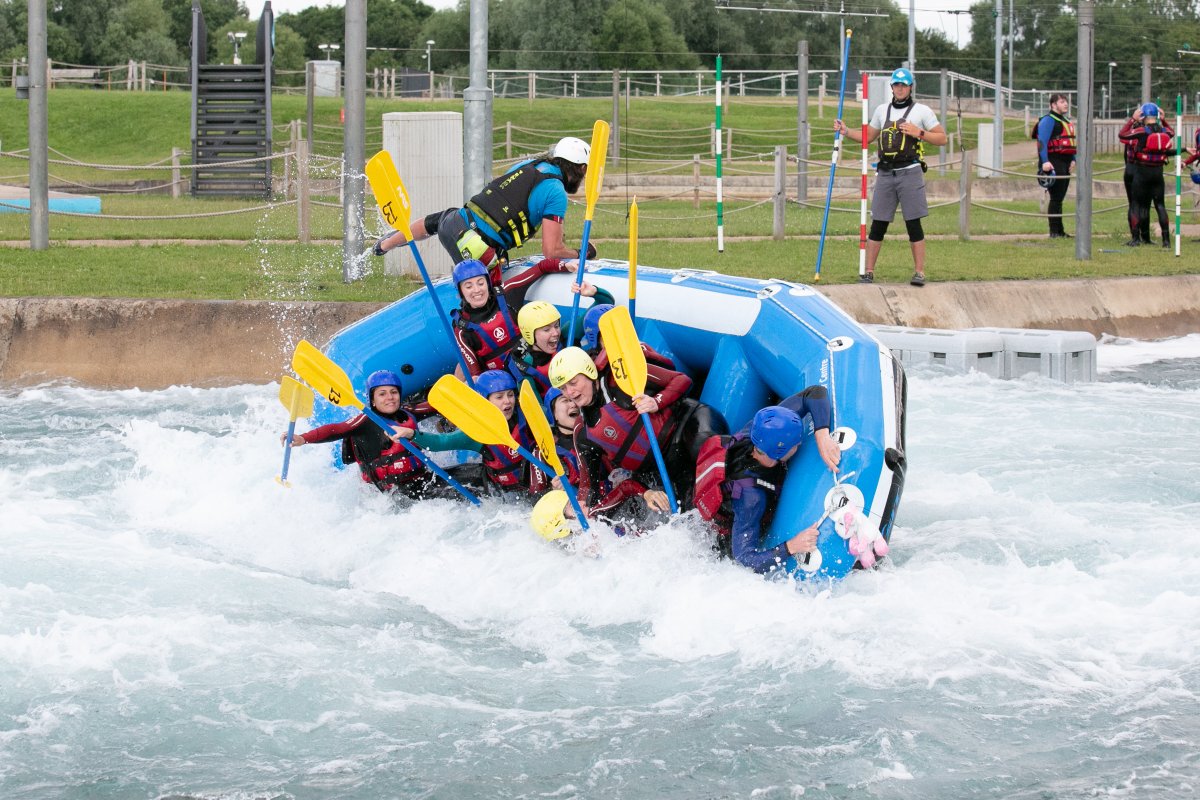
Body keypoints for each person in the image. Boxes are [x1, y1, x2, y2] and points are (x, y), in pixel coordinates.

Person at [373, 137, 596, 283]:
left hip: (454, 223)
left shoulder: (529, 165)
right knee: (491, 302)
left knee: (441, 217)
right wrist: (583, 253)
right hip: (479, 247)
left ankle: (384, 244)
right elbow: (552, 251)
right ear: (582, 168)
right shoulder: (556, 192)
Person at [547, 346, 727, 511]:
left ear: (589, 373)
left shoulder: (621, 379)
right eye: (563, 388)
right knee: (692, 512)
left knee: (709, 468)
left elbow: (681, 380)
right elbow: (588, 486)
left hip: (690, 425)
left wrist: (656, 402)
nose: (569, 393)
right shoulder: (583, 432)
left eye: (573, 383)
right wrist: (580, 506)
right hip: (666, 464)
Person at [692, 390, 842, 575]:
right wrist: (791, 547)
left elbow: (814, 392)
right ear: (779, 452)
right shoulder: (751, 498)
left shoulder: (756, 432)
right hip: (726, 531)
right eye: (795, 444)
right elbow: (745, 559)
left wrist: (822, 435)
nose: (800, 445)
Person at [834, 67, 947, 287]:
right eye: (897, 85)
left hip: (910, 172)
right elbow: (868, 137)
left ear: (910, 87)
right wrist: (846, 131)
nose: (900, 88)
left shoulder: (922, 111)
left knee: (913, 224)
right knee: (879, 223)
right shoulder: (881, 110)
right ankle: (868, 272)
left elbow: (942, 138)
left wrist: (919, 133)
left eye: (904, 85)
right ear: (892, 87)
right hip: (886, 173)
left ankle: (919, 272)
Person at [282, 370, 443, 499]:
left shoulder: (408, 413)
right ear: (372, 400)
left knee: (468, 477)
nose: (390, 398)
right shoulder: (365, 420)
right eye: (382, 394)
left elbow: (437, 405)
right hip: (392, 496)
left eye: (394, 392)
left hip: (422, 480)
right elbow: (335, 429)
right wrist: (303, 438)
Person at [449, 257, 587, 379]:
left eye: (480, 283)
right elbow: (476, 375)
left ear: (488, 283)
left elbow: (540, 267)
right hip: (504, 387)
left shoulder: (507, 293)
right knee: (461, 371)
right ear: (460, 291)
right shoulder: (462, 327)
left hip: (536, 365)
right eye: (468, 286)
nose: (477, 290)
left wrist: (565, 265)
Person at [413, 369, 537, 497]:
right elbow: (441, 442)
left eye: (510, 395)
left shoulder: (528, 416)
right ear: (485, 401)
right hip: (505, 496)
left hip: (536, 483)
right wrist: (412, 434)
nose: (507, 401)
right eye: (499, 397)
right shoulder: (478, 432)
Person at [509, 282, 615, 394]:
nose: (555, 333)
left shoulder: (566, 335)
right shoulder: (525, 368)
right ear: (529, 334)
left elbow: (604, 307)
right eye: (546, 330)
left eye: (556, 326)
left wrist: (593, 291)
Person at [1119, 104, 1174, 248]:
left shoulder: (1142, 131)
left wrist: (1132, 119)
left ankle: (1136, 239)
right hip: (1157, 175)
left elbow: (1122, 135)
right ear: (1156, 116)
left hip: (1142, 174)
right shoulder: (1163, 131)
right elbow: (1172, 132)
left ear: (1143, 116)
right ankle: (1166, 241)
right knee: (1160, 205)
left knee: (1136, 205)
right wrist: (1164, 120)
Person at [1032, 93, 1077, 239]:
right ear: (1053, 105)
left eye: (1066, 102)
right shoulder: (1048, 120)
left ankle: (1060, 231)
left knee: (1060, 198)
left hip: (1065, 162)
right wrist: (1045, 161)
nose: (1066, 104)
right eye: (1062, 102)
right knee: (1056, 197)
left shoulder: (1065, 120)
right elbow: (1042, 142)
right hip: (1053, 161)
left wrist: (1073, 160)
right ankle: (1054, 232)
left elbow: (1070, 143)